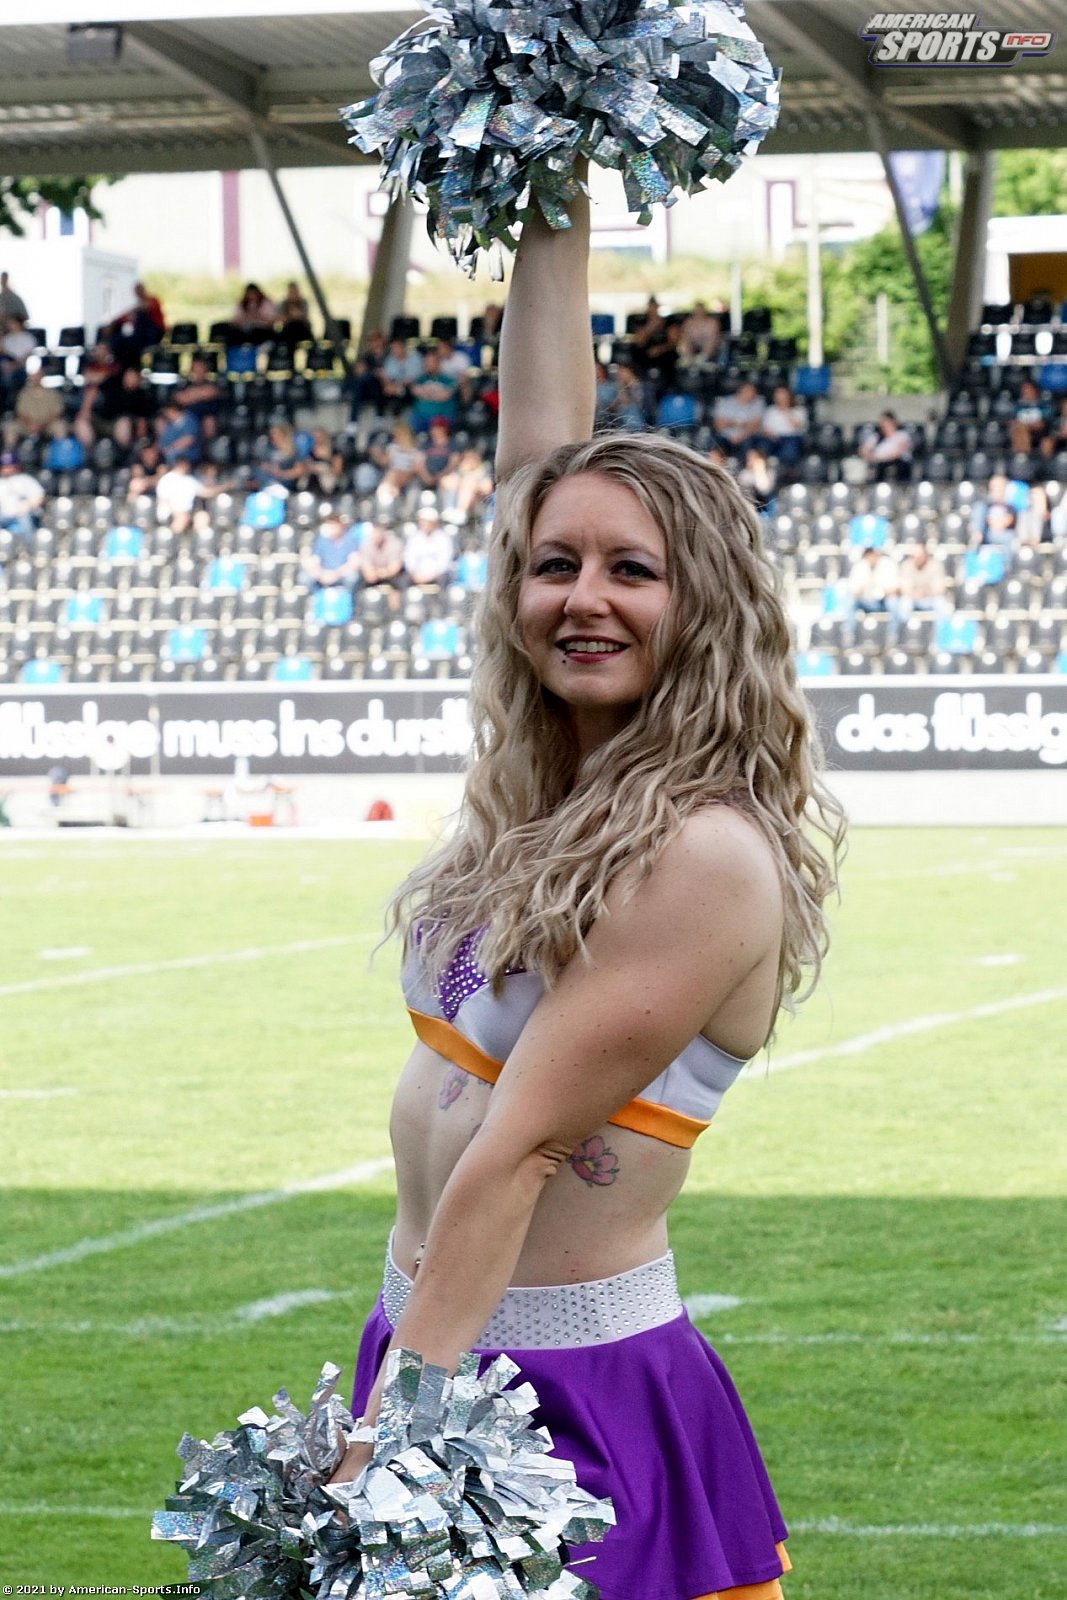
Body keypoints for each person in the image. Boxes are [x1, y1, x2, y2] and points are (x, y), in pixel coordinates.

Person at [329, 165, 846, 1600]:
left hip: (565, 1400)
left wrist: (390, 1442)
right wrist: (548, 175)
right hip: (434, 1340)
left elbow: (515, 1153)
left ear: (705, 606)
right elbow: (536, 457)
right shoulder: (546, 791)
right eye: (555, 567)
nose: (583, 595)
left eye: (635, 572)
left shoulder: (700, 852)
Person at [888, 541, 949, 643]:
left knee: (941, 603)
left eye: (918, 556)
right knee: (903, 603)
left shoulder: (935, 565)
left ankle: (940, 639)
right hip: (913, 599)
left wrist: (924, 592)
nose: (915, 559)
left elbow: (939, 589)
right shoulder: (906, 565)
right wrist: (917, 594)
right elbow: (905, 590)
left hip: (931, 599)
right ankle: (900, 637)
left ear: (925, 556)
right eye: (913, 556)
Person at [303, 512, 364, 592]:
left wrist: (336, 574)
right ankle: (315, 598)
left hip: (341, 575)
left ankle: (347, 598)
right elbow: (315, 560)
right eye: (330, 525)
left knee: (352, 577)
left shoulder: (349, 540)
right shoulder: (322, 540)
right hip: (324, 574)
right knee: (305, 578)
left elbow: (354, 562)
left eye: (334, 526)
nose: (332, 528)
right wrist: (321, 574)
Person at [712, 377, 766, 459]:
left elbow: (754, 425)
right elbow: (718, 425)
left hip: (747, 437)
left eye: (753, 391)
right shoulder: (725, 402)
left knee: (751, 444)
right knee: (715, 443)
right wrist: (740, 423)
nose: (751, 393)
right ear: (740, 390)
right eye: (748, 390)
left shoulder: (758, 402)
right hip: (725, 437)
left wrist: (740, 435)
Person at [403, 501, 454, 587]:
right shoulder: (415, 538)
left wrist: (429, 577)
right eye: (422, 521)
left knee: (444, 578)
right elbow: (409, 559)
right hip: (417, 575)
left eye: (426, 522)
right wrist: (414, 574)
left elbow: (444, 563)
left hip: (437, 576)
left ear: (434, 523)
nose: (424, 524)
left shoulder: (443, 539)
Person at [0, 450, 45, 540]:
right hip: (4, 516)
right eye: (4, 466)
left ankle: (29, 546)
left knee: (25, 519)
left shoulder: (25, 479)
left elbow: (40, 497)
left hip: (23, 515)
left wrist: (29, 505)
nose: (7, 469)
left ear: (16, 466)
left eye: (9, 465)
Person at [761, 384, 807, 469]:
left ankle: (785, 471)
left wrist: (785, 410)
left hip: (792, 437)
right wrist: (771, 436)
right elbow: (765, 428)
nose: (780, 398)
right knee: (762, 446)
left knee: (789, 450)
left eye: (783, 395)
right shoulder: (770, 410)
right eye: (778, 395)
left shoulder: (799, 410)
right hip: (773, 437)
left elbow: (797, 426)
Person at [857, 411, 911, 481]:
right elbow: (863, 450)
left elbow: (898, 453)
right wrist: (869, 456)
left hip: (897, 463)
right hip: (878, 463)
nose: (884, 425)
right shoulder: (876, 437)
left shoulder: (902, 435)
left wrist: (879, 458)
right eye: (882, 423)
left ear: (893, 422)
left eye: (886, 422)